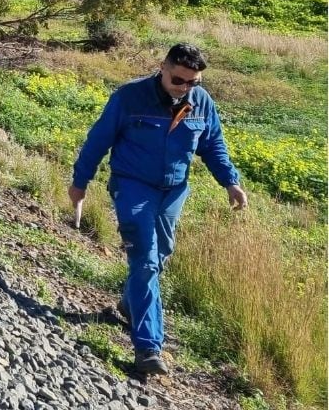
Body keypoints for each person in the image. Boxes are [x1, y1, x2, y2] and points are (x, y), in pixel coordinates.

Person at [69, 43, 247, 376]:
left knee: (161, 253)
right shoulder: (129, 98)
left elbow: (213, 145)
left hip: (173, 192)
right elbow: (97, 140)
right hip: (132, 186)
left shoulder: (200, 103)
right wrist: (80, 183)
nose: (186, 88)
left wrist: (230, 182)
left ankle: (129, 303)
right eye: (179, 80)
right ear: (162, 67)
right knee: (146, 261)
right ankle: (149, 348)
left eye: (194, 82)